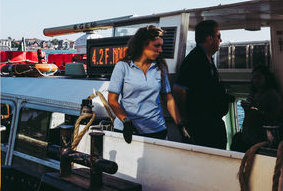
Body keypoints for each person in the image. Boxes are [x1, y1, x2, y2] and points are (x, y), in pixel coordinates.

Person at [108, 25, 183, 143]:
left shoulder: (160, 68)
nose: (160, 50)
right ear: (143, 45)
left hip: (156, 130)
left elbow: (168, 98)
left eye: (161, 46)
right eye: (156, 46)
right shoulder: (123, 66)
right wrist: (126, 121)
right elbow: (112, 100)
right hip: (128, 131)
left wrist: (180, 126)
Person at [173, 20, 234, 149]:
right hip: (203, 126)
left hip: (212, 123)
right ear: (209, 39)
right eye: (218, 36)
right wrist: (185, 121)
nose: (220, 40)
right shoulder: (195, 60)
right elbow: (179, 90)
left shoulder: (207, 59)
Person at [231, 65, 282, 152]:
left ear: (267, 78)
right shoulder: (252, 94)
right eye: (254, 77)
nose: (256, 80)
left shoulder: (272, 95)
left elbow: (276, 116)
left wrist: (257, 109)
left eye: (259, 77)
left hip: (263, 135)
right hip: (249, 133)